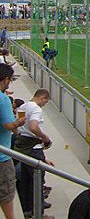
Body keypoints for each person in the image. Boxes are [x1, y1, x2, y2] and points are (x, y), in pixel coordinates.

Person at [15, 89, 55, 217]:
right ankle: (39, 213)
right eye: (45, 101)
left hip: (23, 148)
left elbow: (18, 128)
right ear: (43, 98)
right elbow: (34, 127)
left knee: (25, 180)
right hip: (34, 149)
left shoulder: (22, 107)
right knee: (37, 181)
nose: (44, 104)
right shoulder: (36, 109)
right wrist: (45, 138)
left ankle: (26, 210)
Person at [0, 64, 26, 219]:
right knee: (6, 194)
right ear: (5, 80)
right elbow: (9, 125)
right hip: (2, 158)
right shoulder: (3, 100)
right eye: (9, 80)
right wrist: (19, 122)